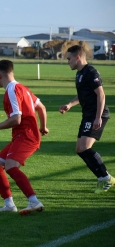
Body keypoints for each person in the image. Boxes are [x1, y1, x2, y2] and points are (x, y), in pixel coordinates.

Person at [0, 59, 49, 215]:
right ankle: (9, 205)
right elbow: (41, 107)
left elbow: (16, 119)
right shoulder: (22, 88)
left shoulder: (12, 90)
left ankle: (33, 201)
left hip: (26, 136)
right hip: (23, 135)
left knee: (11, 166)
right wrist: (43, 127)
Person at [60, 45, 114, 193]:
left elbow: (101, 95)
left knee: (84, 147)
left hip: (97, 114)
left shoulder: (91, 72)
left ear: (78, 57)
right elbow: (83, 95)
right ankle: (105, 177)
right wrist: (70, 104)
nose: (68, 62)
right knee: (80, 149)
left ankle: (105, 178)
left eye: (69, 59)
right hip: (88, 114)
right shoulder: (79, 74)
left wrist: (98, 117)